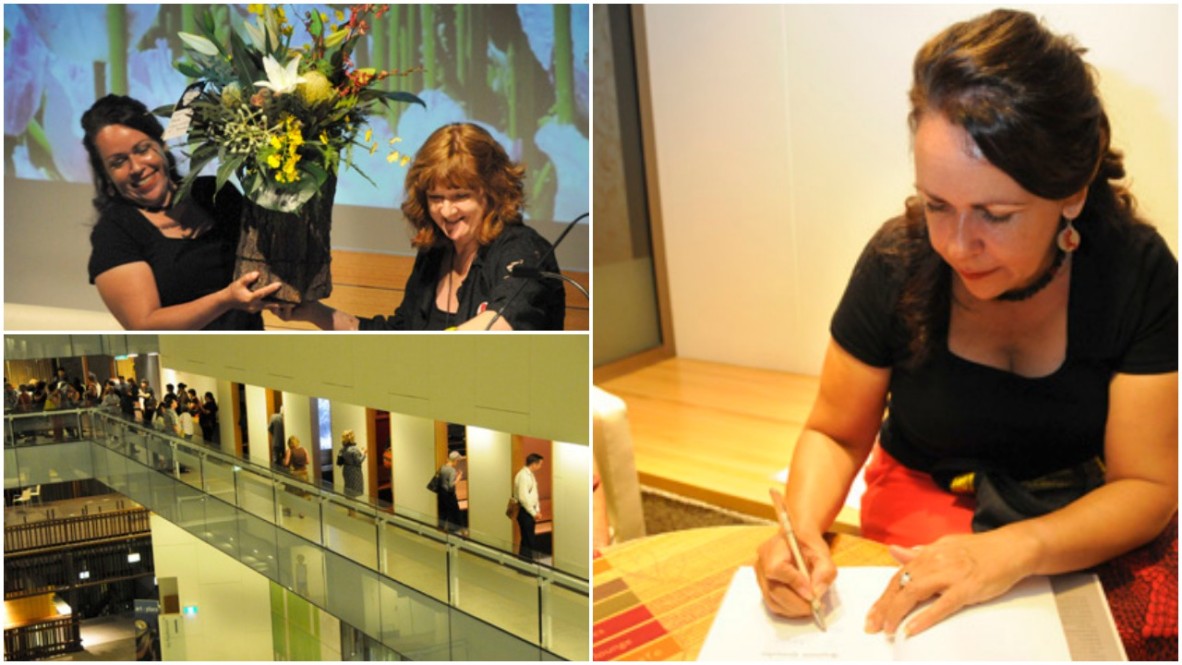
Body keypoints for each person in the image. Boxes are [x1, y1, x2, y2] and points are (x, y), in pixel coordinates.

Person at [754, 9, 1177, 642]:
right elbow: (836, 434)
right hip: (922, 500)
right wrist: (802, 531)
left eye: (996, 214)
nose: (956, 244)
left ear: (1072, 191)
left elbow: (1147, 485)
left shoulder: (1135, 272)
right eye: (937, 205)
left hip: (1078, 514)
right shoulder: (897, 262)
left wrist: (1014, 549)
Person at [280, 122, 566, 331]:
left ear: (491, 191)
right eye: (436, 198)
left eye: (460, 197)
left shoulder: (524, 249)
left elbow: (503, 323)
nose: (447, 211)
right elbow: (402, 334)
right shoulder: (436, 253)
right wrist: (315, 313)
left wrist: (420, 358)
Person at [82, 94, 279, 330]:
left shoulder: (216, 193)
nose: (135, 167)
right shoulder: (114, 233)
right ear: (106, 173)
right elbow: (145, 325)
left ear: (162, 144)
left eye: (142, 150)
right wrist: (225, 300)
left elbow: (270, 261)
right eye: (118, 162)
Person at [514, 453, 545, 560]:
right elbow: (524, 498)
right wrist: (533, 512)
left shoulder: (530, 475)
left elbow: (534, 495)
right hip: (525, 511)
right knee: (528, 539)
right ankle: (526, 564)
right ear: (534, 464)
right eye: (540, 464)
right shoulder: (523, 476)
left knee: (527, 539)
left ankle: (525, 563)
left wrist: (537, 510)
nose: (540, 467)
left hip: (529, 511)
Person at [437, 450, 465, 533]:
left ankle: (440, 530)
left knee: (443, 514)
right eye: (458, 460)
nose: (458, 462)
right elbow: (451, 485)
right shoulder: (452, 470)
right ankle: (455, 531)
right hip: (450, 496)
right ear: (455, 460)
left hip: (442, 494)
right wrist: (458, 478)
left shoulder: (443, 467)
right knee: (455, 514)